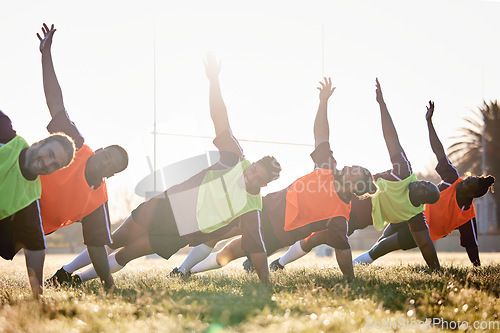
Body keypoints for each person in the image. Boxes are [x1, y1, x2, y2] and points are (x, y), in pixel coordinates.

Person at [56, 53, 282, 285]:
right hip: (169, 205)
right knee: (115, 239)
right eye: (253, 169)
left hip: (182, 232)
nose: (250, 176)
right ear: (252, 164)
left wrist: (266, 284)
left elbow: (256, 246)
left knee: (128, 253)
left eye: (257, 178)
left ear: (263, 185)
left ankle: (78, 280)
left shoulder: (252, 206)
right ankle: (64, 272)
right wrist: (214, 81)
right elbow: (220, 119)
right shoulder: (234, 158)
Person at [187, 77, 378, 280]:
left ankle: (190, 271)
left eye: (353, 171)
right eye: (352, 166)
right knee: (217, 231)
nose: (348, 167)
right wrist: (323, 101)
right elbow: (321, 136)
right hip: (266, 207)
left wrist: (350, 280)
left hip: (277, 235)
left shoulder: (340, 216)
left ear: (355, 187)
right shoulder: (327, 168)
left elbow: (343, 250)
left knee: (230, 252)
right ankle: (182, 269)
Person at [256, 79, 443, 271]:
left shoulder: (415, 215)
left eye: (422, 190)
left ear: (421, 201)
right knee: (304, 230)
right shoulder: (404, 172)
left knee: (315, 236)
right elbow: (391, 137)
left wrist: (437, 270)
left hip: (356, 217)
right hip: (347, 196)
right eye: (424, 183)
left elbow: (426, 244)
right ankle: (273, 261)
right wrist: (382, 104)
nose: (419, 184)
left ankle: (273, 261)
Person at [34, 24, 129, 291]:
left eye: (113, 165)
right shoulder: (75, 143)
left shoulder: (97, 200)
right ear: (98, 151)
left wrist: (108, 284)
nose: (107, 161)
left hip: (29, 225)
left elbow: (97, 246)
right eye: (108, 155)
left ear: (110, 175)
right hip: (13, 191)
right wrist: (45, 55)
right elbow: (55, 102)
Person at [352, 101, 495, 266]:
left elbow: (471, 244)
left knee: (383, 246)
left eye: (467, 184)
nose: (462, 182)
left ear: (471, 194)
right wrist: (429, 122)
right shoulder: (453, 178)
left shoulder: (466, 216)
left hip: (421, 229)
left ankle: (352, 266)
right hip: (408, 211)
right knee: (382, 239)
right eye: (467, 178)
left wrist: (476, 268)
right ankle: (358, 264)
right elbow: (439, 151)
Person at [0, 110, 75, 298]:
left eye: (54, 165)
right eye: (49, 154)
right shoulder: (6, 134)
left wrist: (38, 296)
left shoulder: (29, 198)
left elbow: (36, 247)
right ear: (40, 143)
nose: (46, 163)